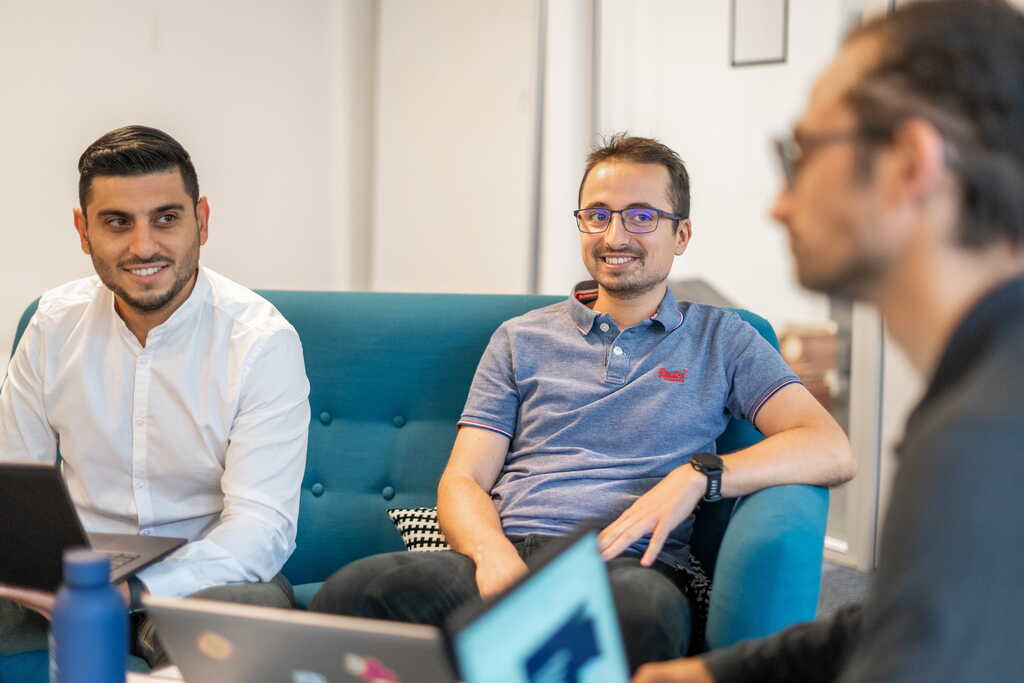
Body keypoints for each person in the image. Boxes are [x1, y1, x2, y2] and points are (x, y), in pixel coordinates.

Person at [310, 135, 855, 670]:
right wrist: (494, 557)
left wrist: (699, 476)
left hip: (624, 566)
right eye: (597, 215)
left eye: (640, 216)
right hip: (505, 551)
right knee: (356, 591)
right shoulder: (520, 338)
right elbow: (463, 480)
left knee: (639, 615)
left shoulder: (723, 339)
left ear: (681, 234)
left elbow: (829, 447)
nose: (615, 235)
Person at [633, 1, 1024, 681]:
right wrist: (715, 674)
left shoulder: (982, 437)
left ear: (909, 164)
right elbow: (903, 619)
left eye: (803, 154)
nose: (778, 204)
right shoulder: (987, 387)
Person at [0, 125, 311, 667]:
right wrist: (31, 575)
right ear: (83, 231)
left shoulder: (262, 341)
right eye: (117, 222)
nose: (143, 246)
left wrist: (131, 591)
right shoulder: (52, 324)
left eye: (166, 218)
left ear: (202, 221)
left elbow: (261, 528)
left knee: (241, 628)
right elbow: (12, 481)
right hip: (68, 579)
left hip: (209, 581)